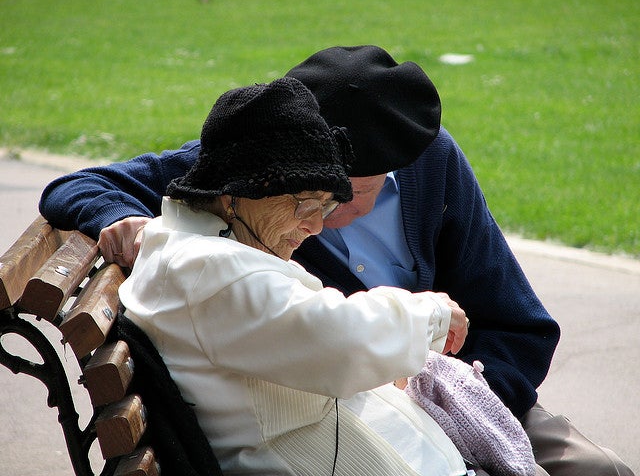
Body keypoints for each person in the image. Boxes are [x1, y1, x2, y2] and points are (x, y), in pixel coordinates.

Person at [39, 46, 634, 476]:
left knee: (598, 470)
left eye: (341, 192)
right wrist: (127, 221)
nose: (320, 216)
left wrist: (462, 398)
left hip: (475, 396)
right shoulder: (257, 162)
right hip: (367, 415)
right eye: (310, 194)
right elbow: (82, 185)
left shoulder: (429, 164)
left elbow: (519, 323)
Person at [119, 75, 473, 475]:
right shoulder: (210, 272)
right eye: (304, 203)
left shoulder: (198, 246)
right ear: (235, 192)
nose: (315, 226)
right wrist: (432, 314)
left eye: (323, 207)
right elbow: (341, 341)